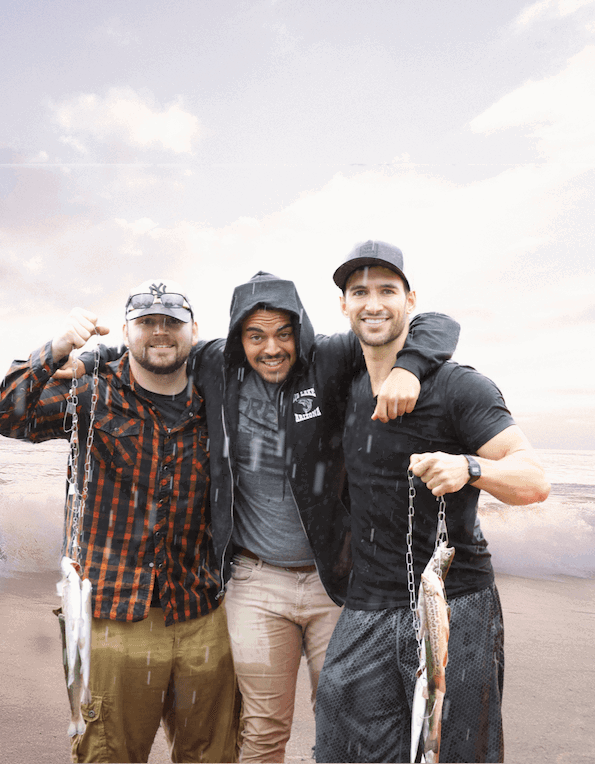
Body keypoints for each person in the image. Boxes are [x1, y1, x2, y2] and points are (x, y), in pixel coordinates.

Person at [70, 272, 460, 762]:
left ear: (302, 331)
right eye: (256, 336)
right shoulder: (216, 364)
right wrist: (89, 356)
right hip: (255, 582)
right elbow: (150, 346)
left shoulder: (329, 360)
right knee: (260, 729)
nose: (271, 348)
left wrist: (410, 368)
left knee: (346, 718)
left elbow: (437, 325)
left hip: (333, 581)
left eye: (283, 334)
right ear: (238, 339)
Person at [0, 280, 241, 763]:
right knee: (109, 753)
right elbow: (2, 414)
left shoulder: (218, 402)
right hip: (112, 614)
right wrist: (59, 347)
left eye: (171, 323)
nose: (160, 334)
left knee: (215, 753)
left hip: (202, 611)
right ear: (127, 331)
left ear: (194, 332)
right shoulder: (89, 394)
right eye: (147, 323)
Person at [313, 240, 550, 763]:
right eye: (359, 292)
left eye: (386, 291)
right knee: (342, 743)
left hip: (456, 603)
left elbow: (533, 479)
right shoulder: (345, 387)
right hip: (368, 603)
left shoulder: (459, 387)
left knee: (458, 750)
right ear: (344, 306)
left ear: (411, 300)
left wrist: (470, 468)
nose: (373, 303)